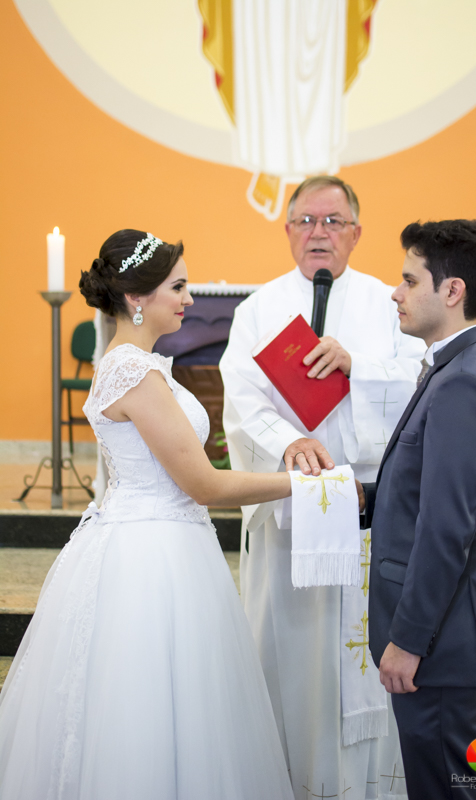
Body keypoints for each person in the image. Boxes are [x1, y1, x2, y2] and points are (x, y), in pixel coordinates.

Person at [0, 230, 296, 800]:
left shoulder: (134, 365)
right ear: (137, 297)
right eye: (178, 287)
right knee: (152, 704)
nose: (190, 299)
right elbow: (202, 484)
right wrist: (301, 487)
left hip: (157, 539)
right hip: (152, 558)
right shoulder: (134, 372)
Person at [219, 176, 426, 800]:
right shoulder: (258, 310)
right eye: (306, 221)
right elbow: (241, 399)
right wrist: (289, 442)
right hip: (291, 514)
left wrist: (356, 366)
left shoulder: (389, 304)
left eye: (333, 222)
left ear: (356, 233)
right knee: (293, 657)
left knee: (362, 652)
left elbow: (420, 377)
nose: (319, 233)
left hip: (368, 512)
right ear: (287, 231)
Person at [360, 220, 476, 799]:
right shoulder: (455, 366)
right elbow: (429, 491)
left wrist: (409, 641)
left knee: (451, 789)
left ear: (452, 290)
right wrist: (358, 497)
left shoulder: (464, 383)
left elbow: (447, 528)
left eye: (409, 280)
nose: (395, 293)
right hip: (444, 637)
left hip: (439, 642)